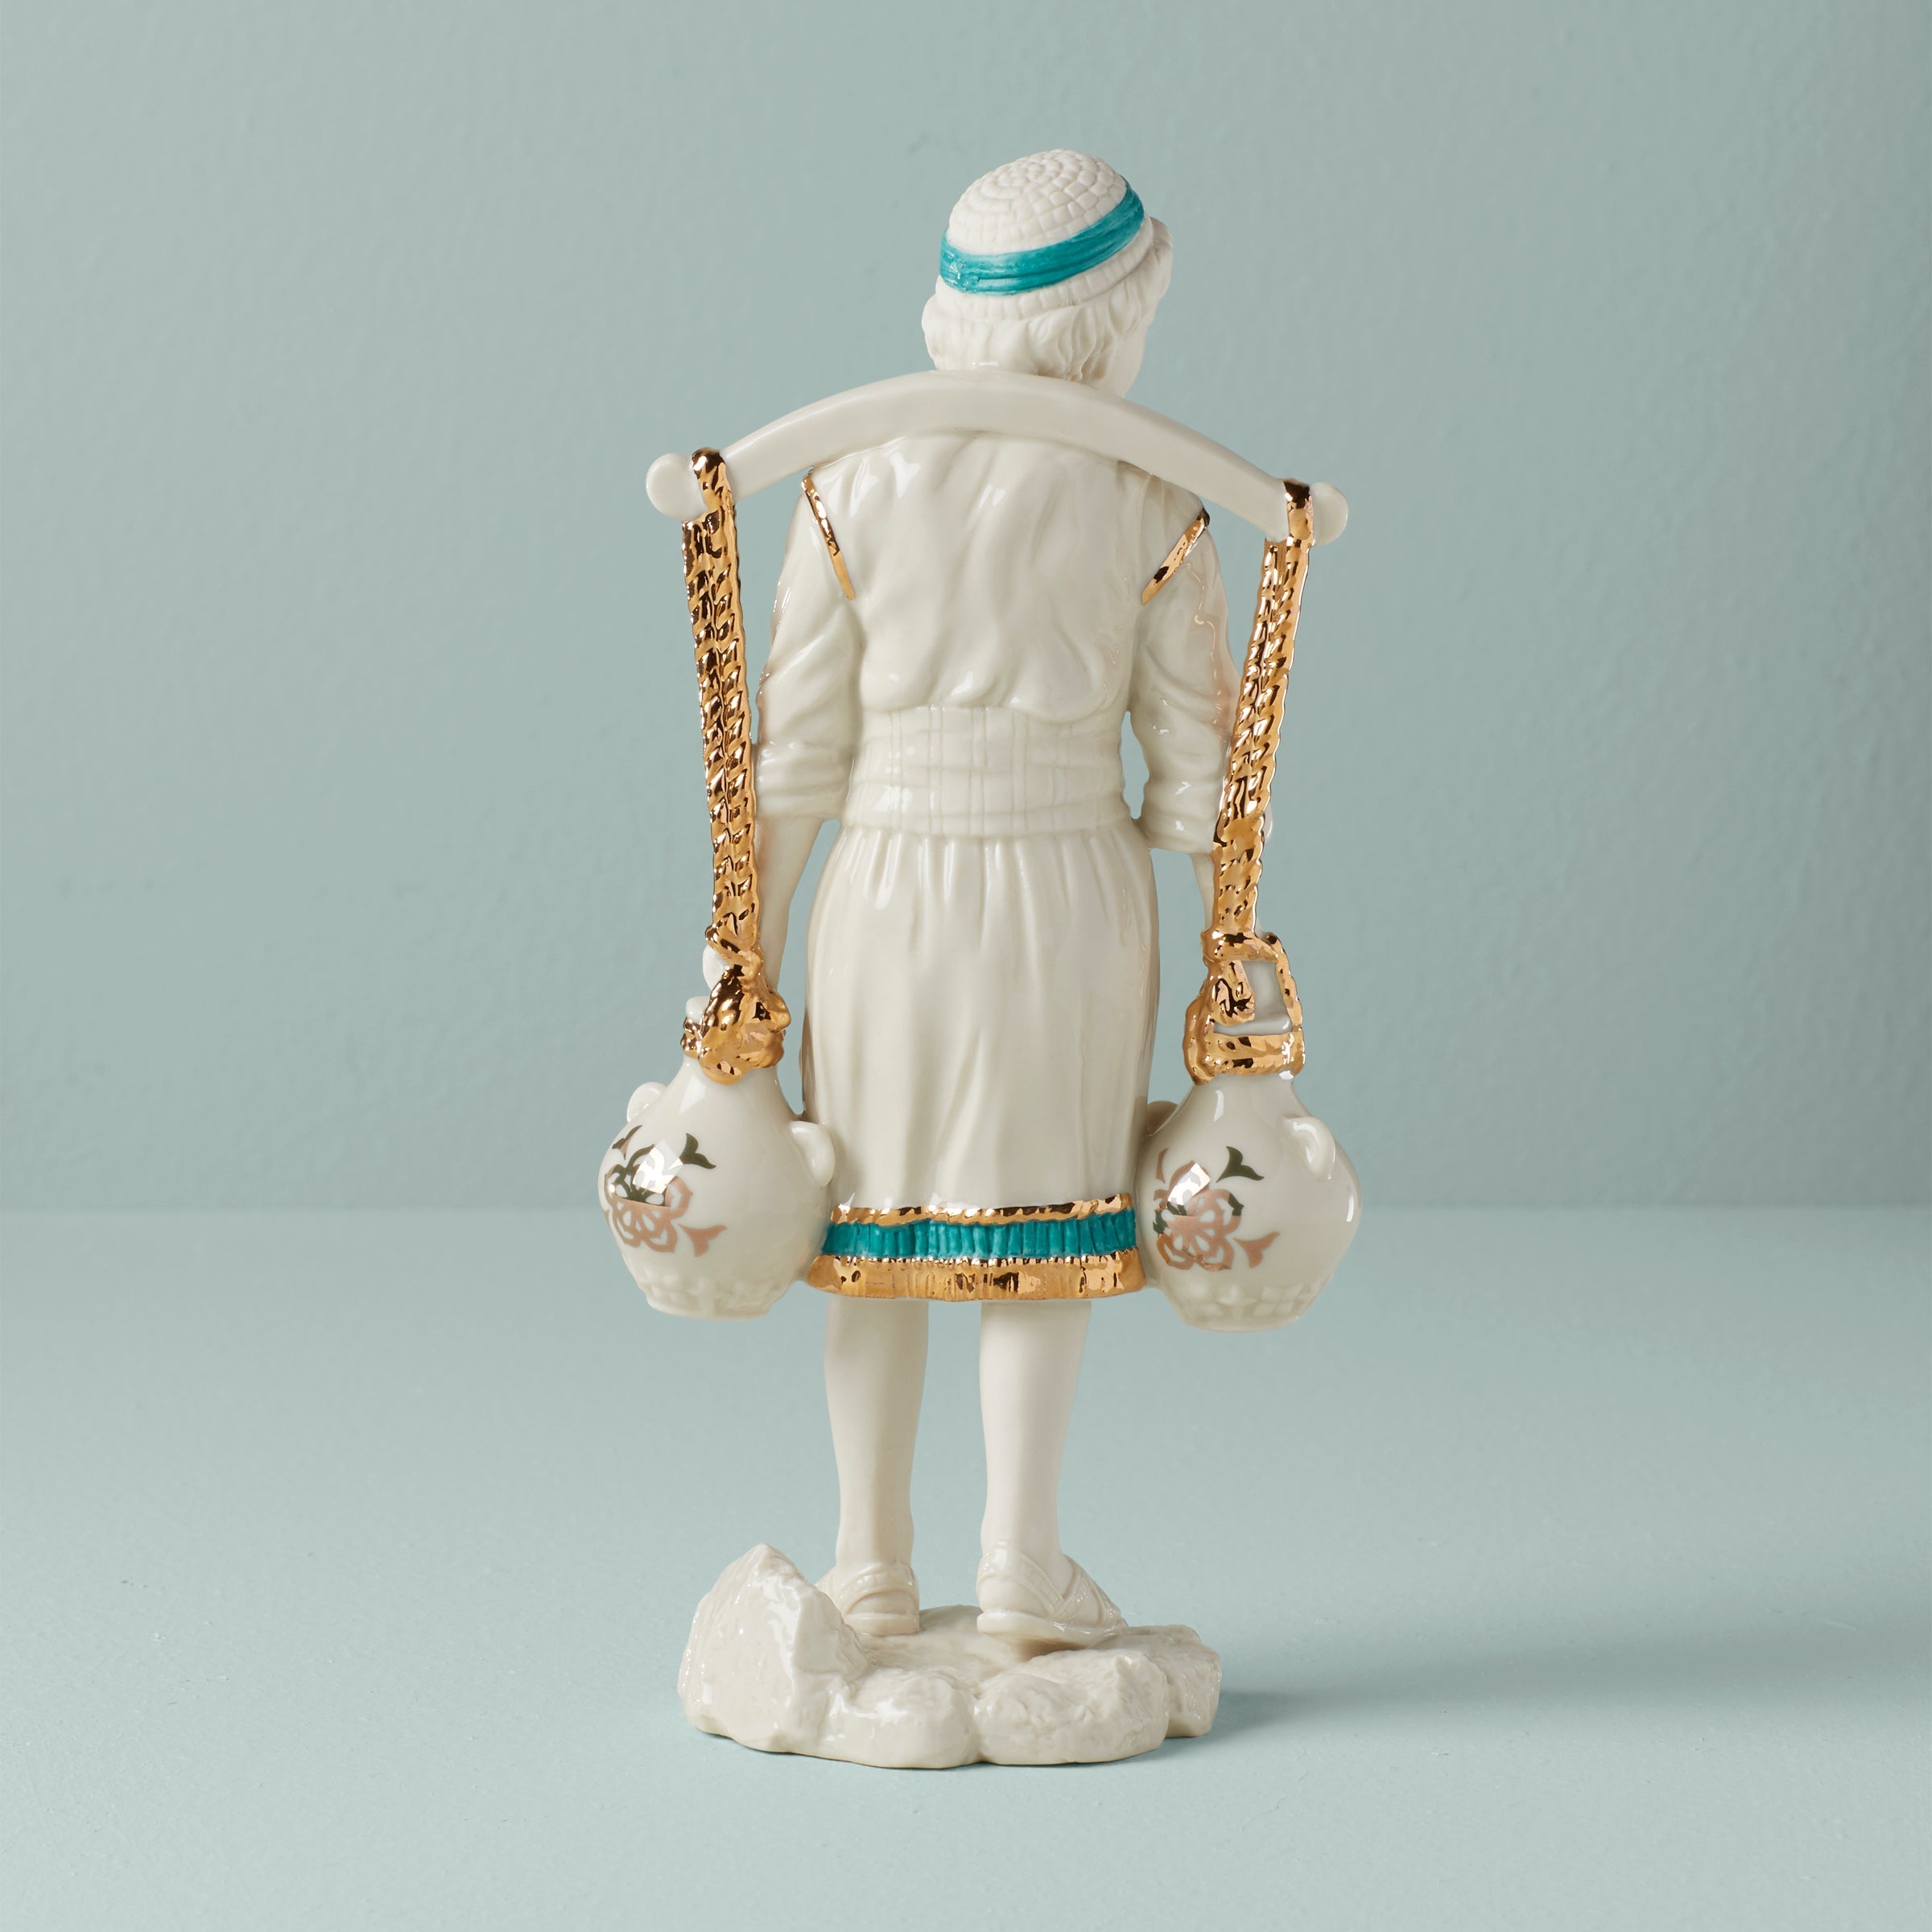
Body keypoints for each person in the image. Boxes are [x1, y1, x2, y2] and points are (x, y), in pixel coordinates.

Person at [749, 151, 1236, 1647]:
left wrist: (744, 955)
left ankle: (868, 1559)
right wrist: (1235, 959)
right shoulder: (1153, 494)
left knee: (874, 1230)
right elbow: (1202, 779)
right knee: (1042, 1229)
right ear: (1108, 322)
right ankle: (1022, 1553)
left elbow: (792, 759)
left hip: (887, 892)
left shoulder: (849, 480)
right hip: (1066, 893)